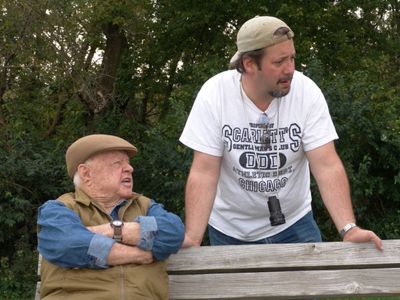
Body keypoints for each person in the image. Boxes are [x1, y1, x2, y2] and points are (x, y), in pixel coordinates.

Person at [180, 16, 382, 250]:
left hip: (295, 225)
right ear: (248, 64)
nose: (291, 69)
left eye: (292, 58)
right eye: (279, 62)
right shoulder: (214, 95)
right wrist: (193, 239)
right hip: (230, 230)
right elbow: (204, 172)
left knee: (311, 287)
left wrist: (349, 229)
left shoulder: (306, 92)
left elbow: (326, 165)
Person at [37, 134, 185, 300]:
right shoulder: (59, 209)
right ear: (86, 174)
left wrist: (112, 230)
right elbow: (68, 244)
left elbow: (173, 232)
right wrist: (140, 254)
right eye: (118, 163)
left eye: (128, 163)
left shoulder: (145, 206)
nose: (129, 168)